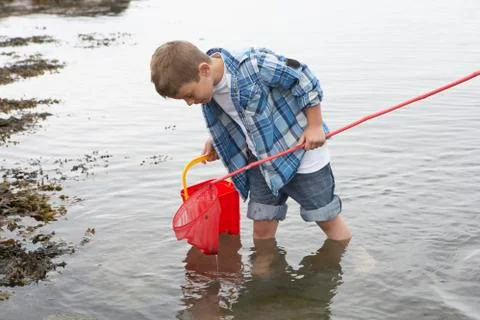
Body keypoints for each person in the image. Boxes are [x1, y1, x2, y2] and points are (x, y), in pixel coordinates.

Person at [150, 41, 351, 242]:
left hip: (302, 154)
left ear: (204, 70)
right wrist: (218, 141)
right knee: (262, 231)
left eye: (190, 95)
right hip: (261, 162)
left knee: (327, 220)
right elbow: (240, 116)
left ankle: (358, 257)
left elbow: (304, 78)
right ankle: (264, 272)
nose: (190, 103)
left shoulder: (254, 65)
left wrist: (314, 125)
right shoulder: (207, 89)